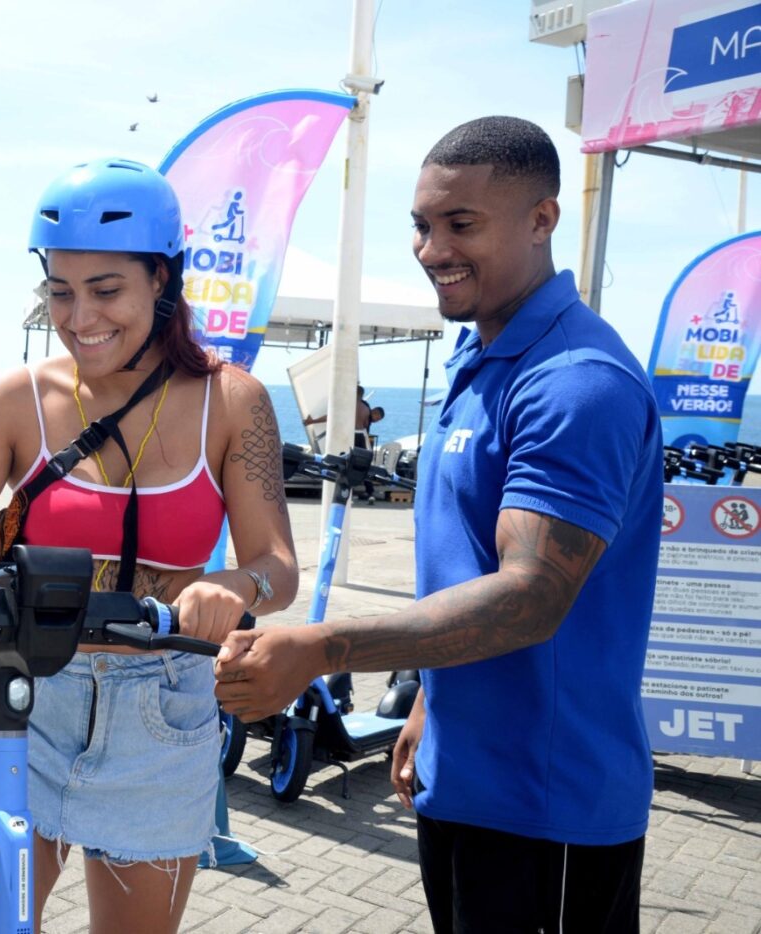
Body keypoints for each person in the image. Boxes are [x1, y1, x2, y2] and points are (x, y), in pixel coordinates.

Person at [214, 116, 661, 933]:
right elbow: (463, 566)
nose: (431, 249)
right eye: (422, 225)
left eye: (462, 225)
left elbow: (530, 599)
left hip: (547, 806)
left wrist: (324, 646)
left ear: (542, 219)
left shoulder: (577, 382)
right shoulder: (479, 356)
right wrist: (427, 702)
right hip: (461, 779)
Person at [0, 157, 298, 933]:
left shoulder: (233, 401)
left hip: (161, 711)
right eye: (60, 291)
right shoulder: (17, 397)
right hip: (20, 694)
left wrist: (238, 587)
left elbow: (277, 564)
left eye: (107, 290)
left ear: (161, 281)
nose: (80, 316)